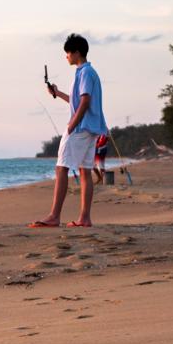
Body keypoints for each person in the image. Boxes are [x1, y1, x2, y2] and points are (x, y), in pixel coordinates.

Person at [33, 34, 105, 228]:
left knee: (61, 167)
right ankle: (84, 218)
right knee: (84, 171)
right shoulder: (86, 73)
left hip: (81, 128)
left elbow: (85, 101)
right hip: (89, 128)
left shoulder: (86, 73)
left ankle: (54, 216)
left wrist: (72, 124)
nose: (66, 56)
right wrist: (58, 93)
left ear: (77, 52)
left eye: (68, 52)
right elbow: (77, 100)